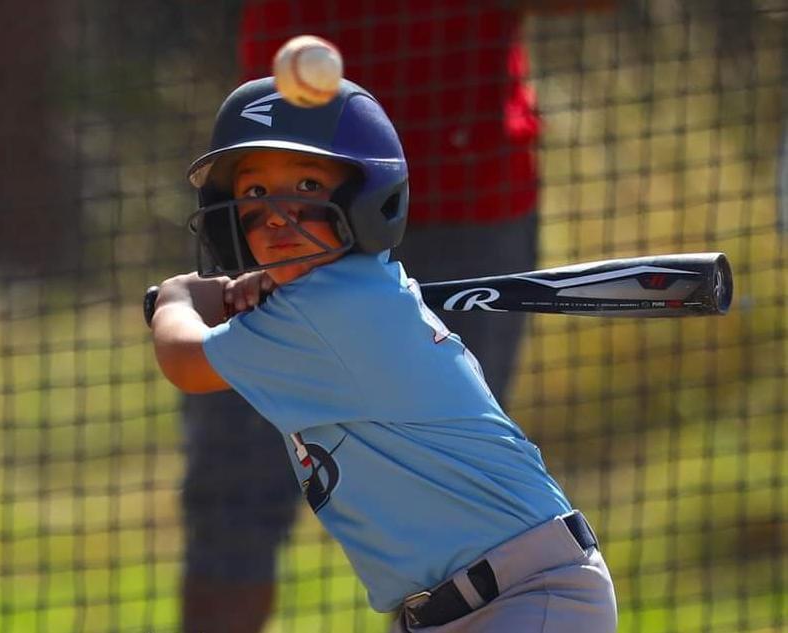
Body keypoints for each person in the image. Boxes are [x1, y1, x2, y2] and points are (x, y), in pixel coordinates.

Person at [180, 3, 614, 630]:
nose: (276, 210)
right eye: (253, 198)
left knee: (430, 474)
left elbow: (186, 360)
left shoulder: (348, 303)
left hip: (466, 173)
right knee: (235, 509)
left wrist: (176, 302)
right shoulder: (336, 286)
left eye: (301, 191)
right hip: (482, 601)